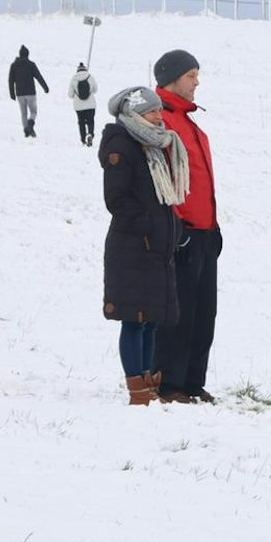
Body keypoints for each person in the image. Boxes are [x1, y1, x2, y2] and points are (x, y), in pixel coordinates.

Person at [99, 87, 185, 404]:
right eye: (152, 112)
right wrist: (146, 228)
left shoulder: (150, 145)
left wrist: (170, 229)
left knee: (150, 319)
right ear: (135, 114)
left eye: (159, 111)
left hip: (155, 248)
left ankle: (148, 381)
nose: (159, 117)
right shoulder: (122, 144)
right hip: (133, 248)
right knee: (133, 320)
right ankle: (137, 387)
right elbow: (117, 199)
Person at [150, 49, 221, 404]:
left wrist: (214, 227)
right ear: (172, 79)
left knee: (204, 312)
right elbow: (156, 177)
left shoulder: (188, 121)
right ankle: (170, 382)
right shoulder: (160, 120)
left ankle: (193, 380)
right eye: (192, 75)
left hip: (206, 232)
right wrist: (178, 230)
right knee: (179, 313)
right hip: (183, 234)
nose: (197, 82)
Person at [7, 45, 49, 138]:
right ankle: (30, 126)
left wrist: (12, 94)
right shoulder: (31, 64)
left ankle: (26, 130)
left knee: (23, 113)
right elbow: (39, 76)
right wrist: (45, 87)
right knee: (33, 112)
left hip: (20, 94)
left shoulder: (14, 65)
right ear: (27, 55)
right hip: (31, 93)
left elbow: (10, 80)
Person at [68, 63, 98, 145]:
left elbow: (70, 95)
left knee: (81, 122)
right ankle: (90, 134)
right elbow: (95, 90)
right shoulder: (90, 77)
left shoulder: (74, 79)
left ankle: (83, 139)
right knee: (90, 121)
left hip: (79, 106)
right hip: (90, 105)